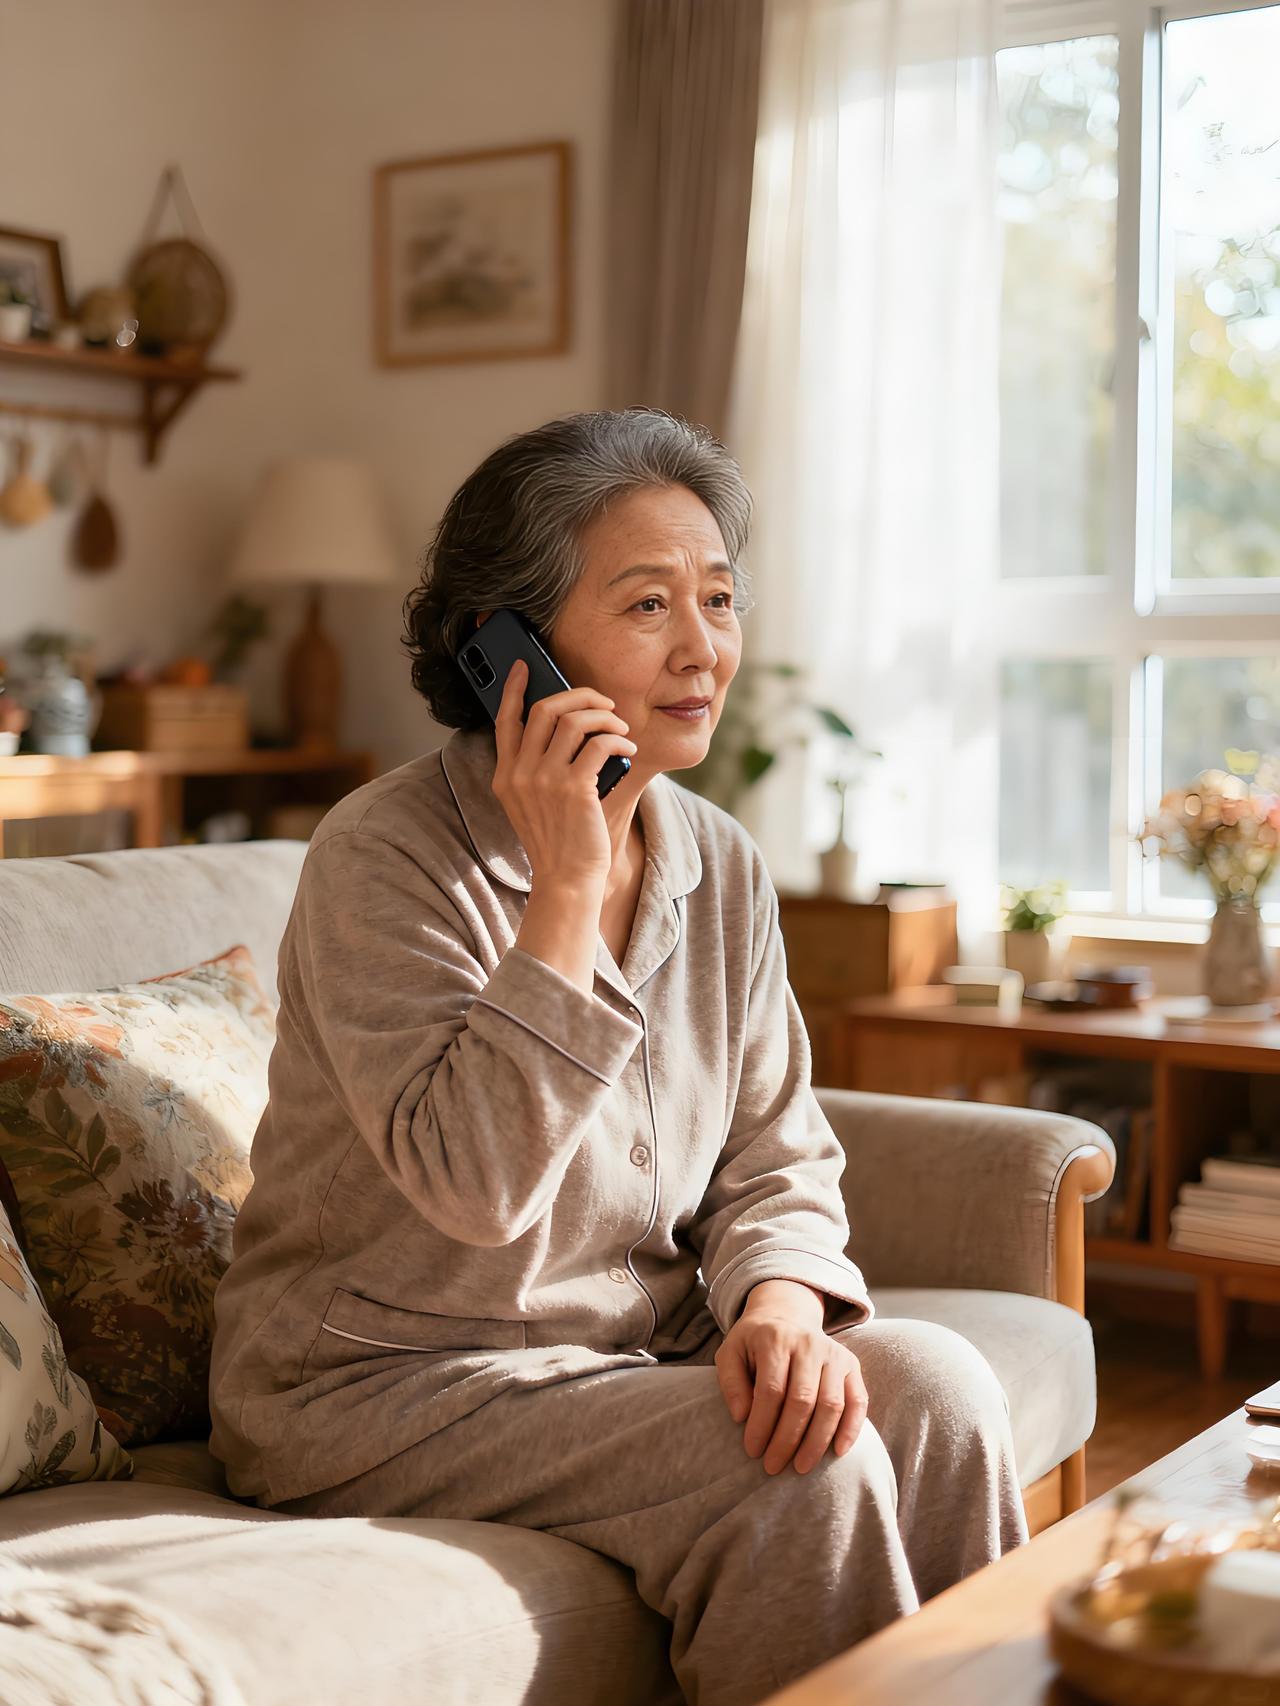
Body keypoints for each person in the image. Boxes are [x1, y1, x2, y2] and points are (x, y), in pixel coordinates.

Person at [207, 407, 1027, 1706]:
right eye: (649, 605)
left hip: (618, 1354)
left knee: (939, 1386)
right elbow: (475, 1184)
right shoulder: (382, 857)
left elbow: (776, 1151)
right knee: (794, 1459)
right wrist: (567, 890)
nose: (704, 647)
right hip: (380, 1381)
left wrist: (777, 1308)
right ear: (510, 652)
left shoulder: (721, 859)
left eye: (718, 596)